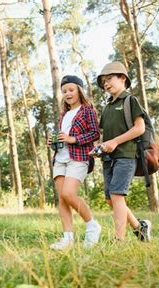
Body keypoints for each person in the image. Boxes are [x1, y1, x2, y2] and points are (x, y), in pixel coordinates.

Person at [95, 61, 151, 242]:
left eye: (109, 79)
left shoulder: (130, 100)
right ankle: (139, 228)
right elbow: (107, 136)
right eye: (103, 82)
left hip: (126, 155)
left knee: (117, 195)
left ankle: (119, 239)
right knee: (111, 199)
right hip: (108, 158)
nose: (106, 84)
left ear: (122, 78)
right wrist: (99, 149)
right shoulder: (107, 107)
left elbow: (139, 128)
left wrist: (115, 142)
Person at [47, 75, 101, 250]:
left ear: (79, 90)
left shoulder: (87, 110)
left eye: (71, 90)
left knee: (69, 194)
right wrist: (54, 142)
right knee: (62, 199)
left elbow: (95, 134)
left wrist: (73, 139)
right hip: (60, 158)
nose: (67, 93)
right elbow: (64, 137)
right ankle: (67, 238)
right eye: (64, 91)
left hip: (78, 157)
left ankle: (92, 225)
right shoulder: (64, 115)